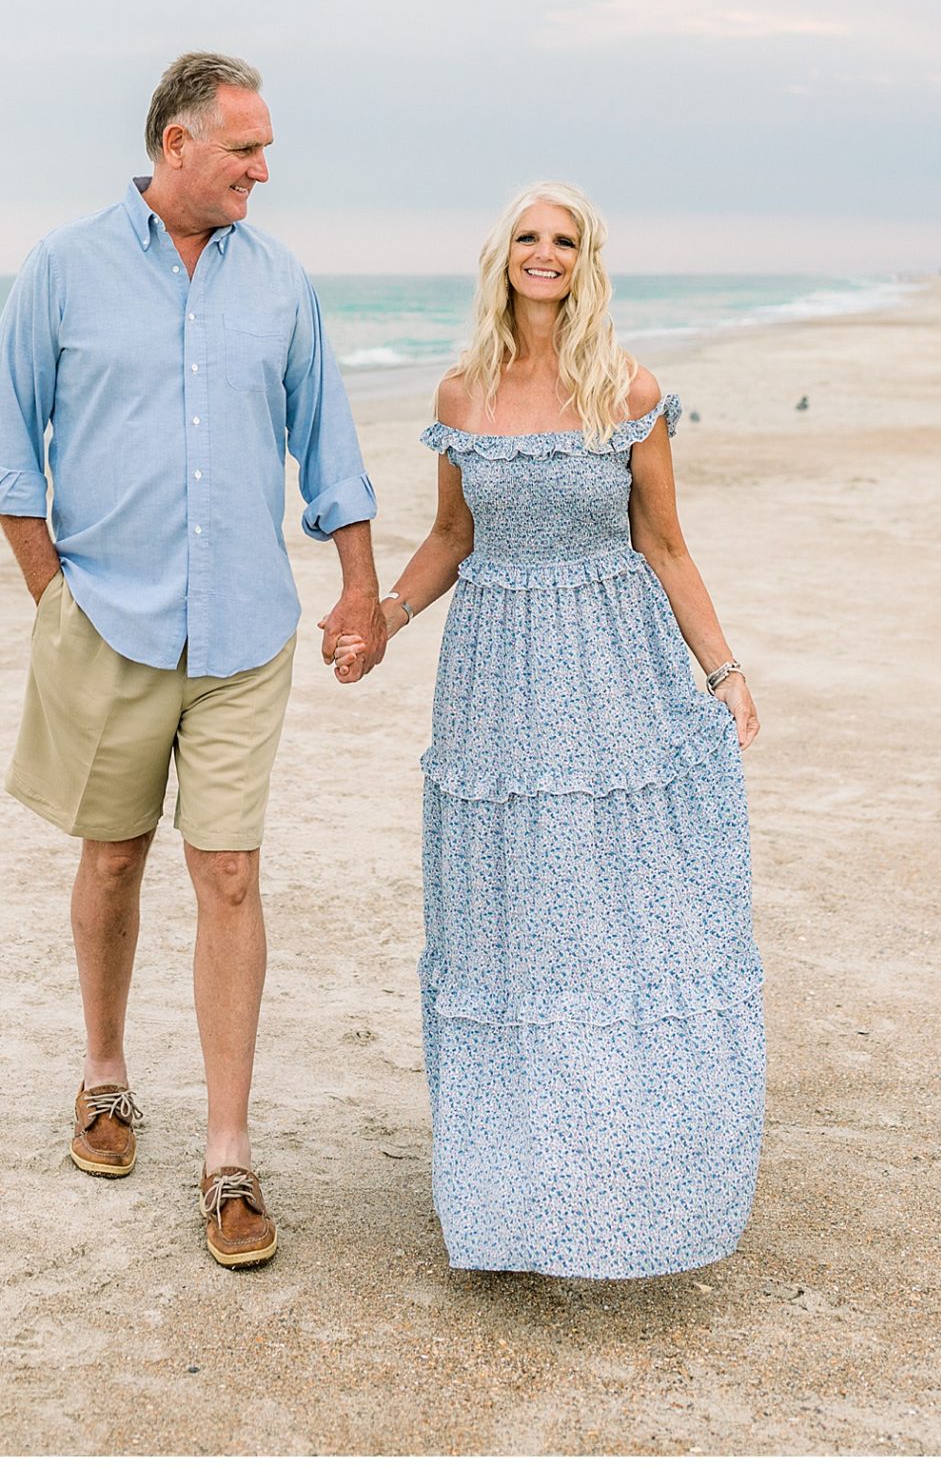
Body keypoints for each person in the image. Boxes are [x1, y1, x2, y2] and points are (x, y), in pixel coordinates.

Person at [0, 52, 385, 1270]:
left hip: (248, 629)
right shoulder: (65, 266)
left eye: (264, 150)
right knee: (111, 856)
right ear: (176, 146)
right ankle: (104, 1074)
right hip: (111, 622)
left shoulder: (281, 283)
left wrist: (361, 583)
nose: (265, 170)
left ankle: (228, 1152)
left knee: (232, 875)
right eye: (246, 149)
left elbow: (330, 446)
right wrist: (59, 601)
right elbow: (4, 444)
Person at [333, 182, 763, 1279]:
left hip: (612, 679)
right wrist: (384, 614)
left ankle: (629, 1172)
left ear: (587, 261)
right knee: (514, 925)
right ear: (502, 257)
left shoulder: (629, 387)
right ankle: (516, 1189)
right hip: (494, 685)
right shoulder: (461, 391)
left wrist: (723, 669)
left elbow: (666, 544)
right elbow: (448, 534)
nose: (543, 253)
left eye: (563, 240)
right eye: (528, 237)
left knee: (614, 921)